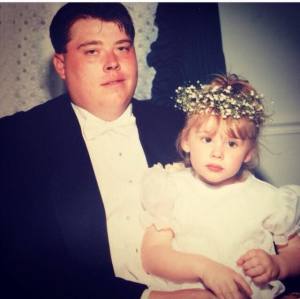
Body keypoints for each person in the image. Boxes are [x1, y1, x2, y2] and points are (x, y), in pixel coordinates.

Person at [0, 3, 218, 299]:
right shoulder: (16, 140)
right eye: (92, 51)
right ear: (61, 65)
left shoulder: (184, 126)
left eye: (122, 48)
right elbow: (25, 267)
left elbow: (235, 209)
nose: (113, 62)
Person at [140, 74, 300, 299]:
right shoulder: (171, 188)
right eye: (207, 139)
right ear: (186, 140)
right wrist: (204, 268)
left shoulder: (267, 198)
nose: (218, 152)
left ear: (248, 153)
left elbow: (295, 251)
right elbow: (153, 256)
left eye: (232, 143)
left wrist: (278, 264)